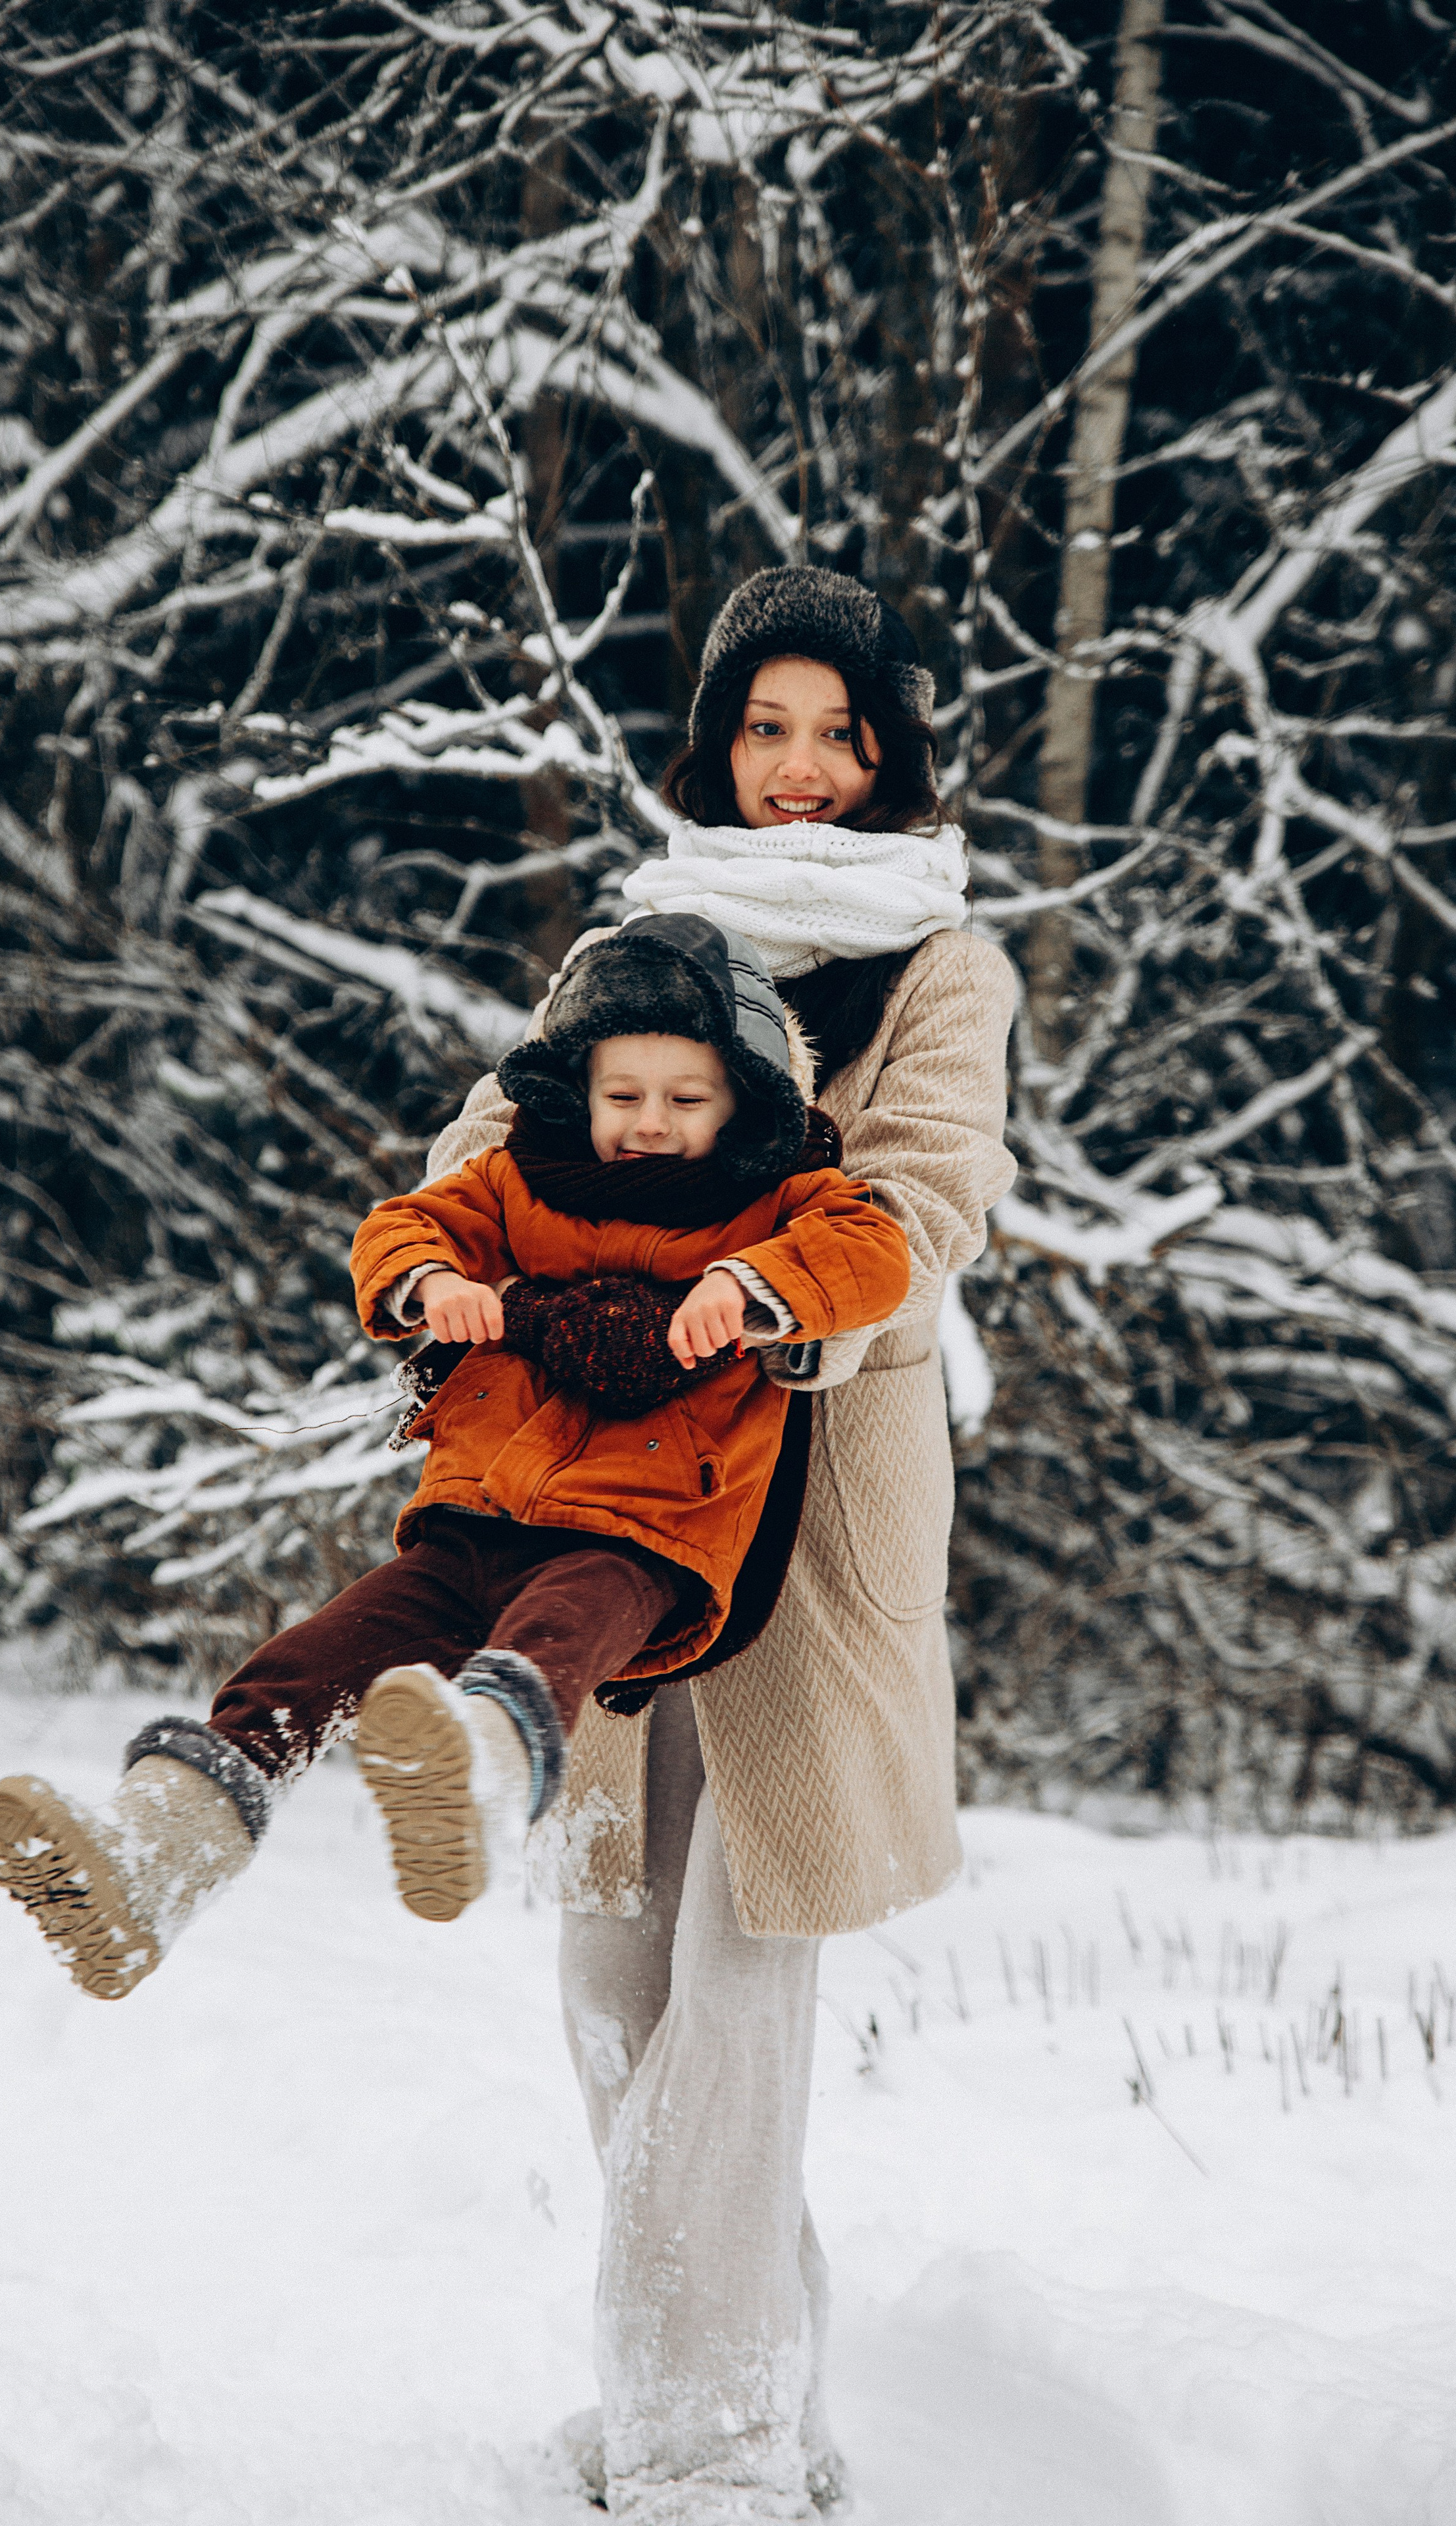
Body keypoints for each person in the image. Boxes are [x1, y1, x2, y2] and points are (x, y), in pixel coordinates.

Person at [427, 565, 1019, 2524]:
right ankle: (745, 2387)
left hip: (810, 1534)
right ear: (715, 747)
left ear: (893, 751)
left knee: (742, 1987)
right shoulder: (634, 944)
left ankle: (712, 2447)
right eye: (766, 727)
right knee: (614, 1984)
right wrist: (464, 1260)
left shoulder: (942, 969)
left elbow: (927, 1201)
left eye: (840, 731)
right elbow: (482, 1155)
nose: (801, 767)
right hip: (615, 1508)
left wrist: (767, 1288)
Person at [0, 910, 908, 1986]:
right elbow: (403, 1225)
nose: (649, 1124)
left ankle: (473, 1780)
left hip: (643, 1534)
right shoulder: (520, 1178)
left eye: (686, 1101)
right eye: (622, 1097)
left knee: (553, 1636)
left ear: (744, 1097)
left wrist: (751, 1287)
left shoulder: (779, 1200)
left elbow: (872, 1250)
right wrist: (432, 1282)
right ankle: (154, 1854)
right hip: (475, 1517)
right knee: (307, 1663)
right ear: (580, 1091)